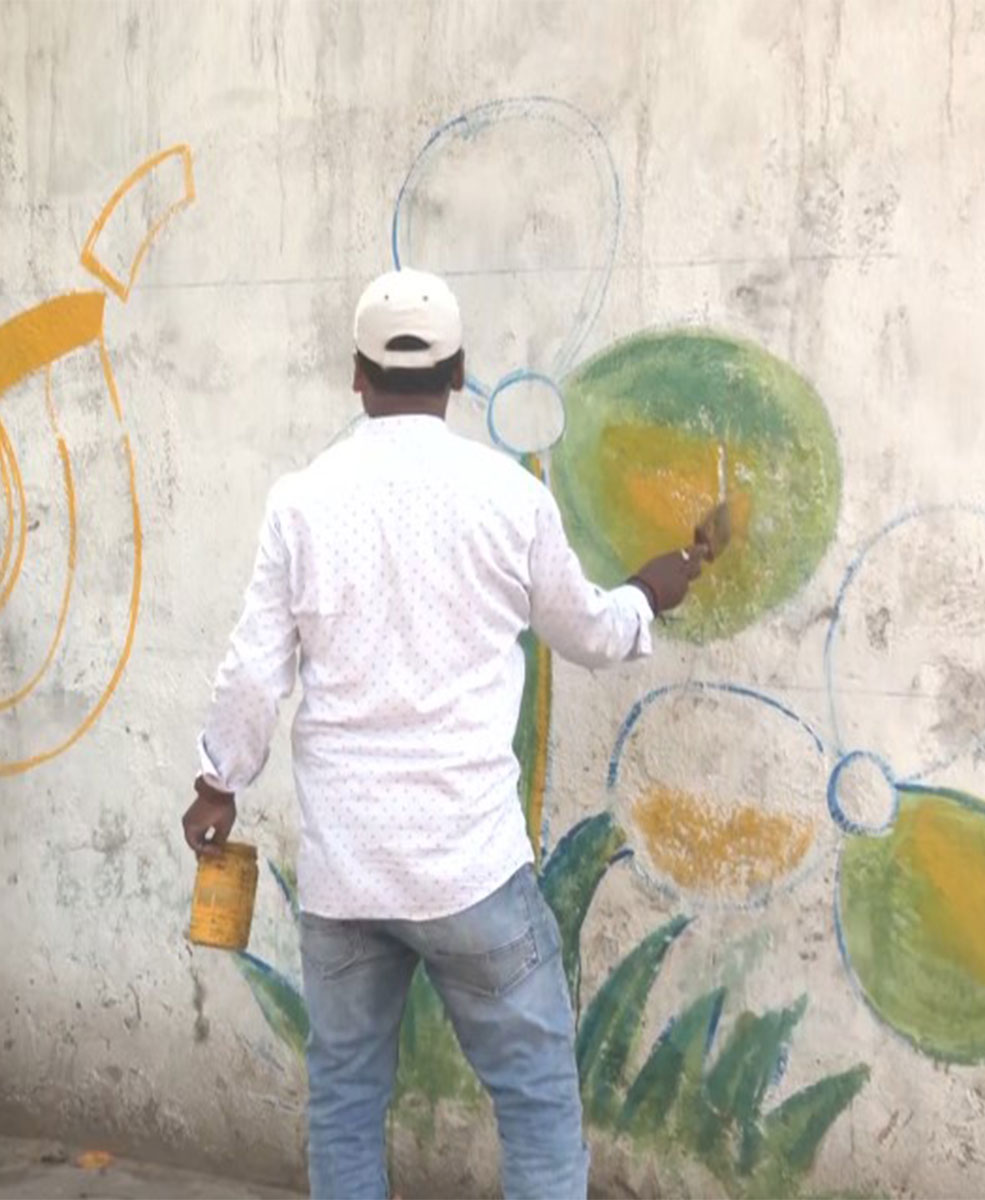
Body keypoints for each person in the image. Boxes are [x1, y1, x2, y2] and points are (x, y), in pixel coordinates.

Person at [181, 270, 715, 1200]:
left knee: (346, 1103)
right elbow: (587, 633)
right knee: (538, 1102)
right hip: (470, 869)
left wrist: (218, 781)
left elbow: (251, 670)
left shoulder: (301, 504)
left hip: (347, 875)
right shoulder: (506, 497)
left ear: (357, 375)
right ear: (460, 374)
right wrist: (648, 595)